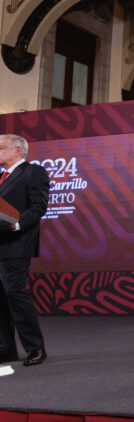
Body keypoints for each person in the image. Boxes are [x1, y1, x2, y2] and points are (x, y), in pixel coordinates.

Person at [0, 134, 49, 366]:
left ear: (17, 150)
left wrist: (15, 224)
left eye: (0, 148)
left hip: (16, 244)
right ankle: (6, 349)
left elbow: (38, 206)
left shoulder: (33, 172)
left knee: (16, 294)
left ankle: (35, 348)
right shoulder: (1, 177)